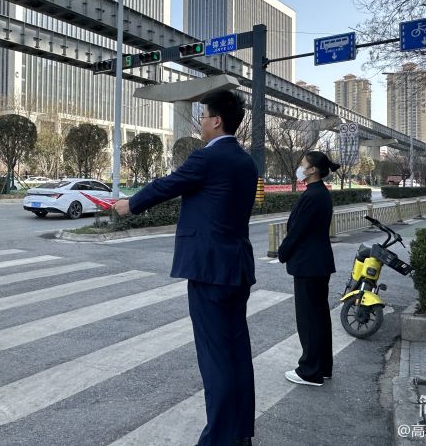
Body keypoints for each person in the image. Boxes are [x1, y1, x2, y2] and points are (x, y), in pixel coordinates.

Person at [113, 90, 257, 446]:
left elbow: (169, 184)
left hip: (210, 270)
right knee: (237, 353)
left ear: (217, 120)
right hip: (237, 268)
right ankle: (239, 433)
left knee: (215, 357)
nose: (201, 123)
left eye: (204, 116)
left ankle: (220, 438)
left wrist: (130, 205)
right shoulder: (246, 161)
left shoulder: (209, 158)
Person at [278, 151, 341, 387]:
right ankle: (322, 367)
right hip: (318, 263)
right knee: (319, 318)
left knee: (309, 320)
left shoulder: (313, 195)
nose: (300, 167)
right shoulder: (320, 193)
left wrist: (283, 252)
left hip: (309, 264)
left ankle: (309, 371)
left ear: (313, 169)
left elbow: (297, 231)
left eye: (303, 164)